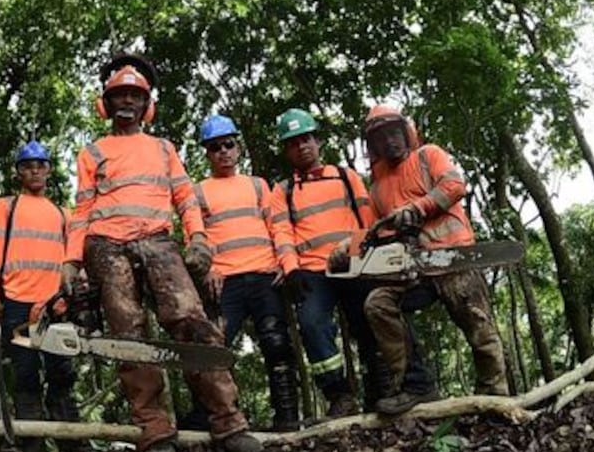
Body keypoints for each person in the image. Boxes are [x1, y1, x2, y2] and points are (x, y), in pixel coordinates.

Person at [63, 57, 263, 452]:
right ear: (106, 103)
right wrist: (71, 260)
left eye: (135, 96)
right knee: (128, 333)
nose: (127, 103)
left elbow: (185, 199)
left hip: (158, 241)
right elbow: (82, 210)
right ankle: (154, 430)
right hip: (106, 245)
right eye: (119, 95)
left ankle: (228, 422)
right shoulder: (93, 151)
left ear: (147, 105)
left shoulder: (162, 148)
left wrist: (200, 239)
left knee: (191, 321)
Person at [353, 104, 509, 415]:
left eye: (394, 133)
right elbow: (373, 228)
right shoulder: (378, 181)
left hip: (452, 256)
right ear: (373, 145)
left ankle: (495, 390)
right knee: (379, 304)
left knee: (476, 321)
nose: (389, 141)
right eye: (381, 138)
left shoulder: (428, 156)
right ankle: (416, 386)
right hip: (412, 266)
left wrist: (417, 208)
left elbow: (453, 185)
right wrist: (350, 247)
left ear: (405, 131)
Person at [269, 108, 390, 418]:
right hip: (311, 271)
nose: (302, 146)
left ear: (317, 141)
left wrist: (363, 253)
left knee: (368, 321)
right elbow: (281, 231)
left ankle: (381, 390)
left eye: (306, 139)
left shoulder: (346, 176)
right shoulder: (283, 190)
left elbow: (367, 219)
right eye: (294, 142)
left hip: (353, 262)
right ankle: (338, 394)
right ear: (287, 150)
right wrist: (291, 267)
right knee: (312, 325)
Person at [188, 114, 301, 432]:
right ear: (207, 153)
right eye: (215, 147)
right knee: (214, 347)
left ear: (238, 149)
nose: (223, 151)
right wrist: (208, 268)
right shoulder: (199, 191)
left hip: (265, 275)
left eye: (228, 145)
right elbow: (195, 234)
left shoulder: (257, 185)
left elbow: (277, 225)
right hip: (225, 282)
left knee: (276, 342)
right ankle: (207, 417)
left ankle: (288, 417)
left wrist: (284, 261)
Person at [0, 140, 81, 452]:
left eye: (40, 165)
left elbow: (70, 261)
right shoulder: (5, 207)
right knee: (25, 375)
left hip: (54, 308)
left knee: (61, 373)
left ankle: (71, 445)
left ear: (49, 170)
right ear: (19, 173)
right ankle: (33, 447)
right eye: (28, 166)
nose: (35, 171)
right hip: (18, 307)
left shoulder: (61, 214)